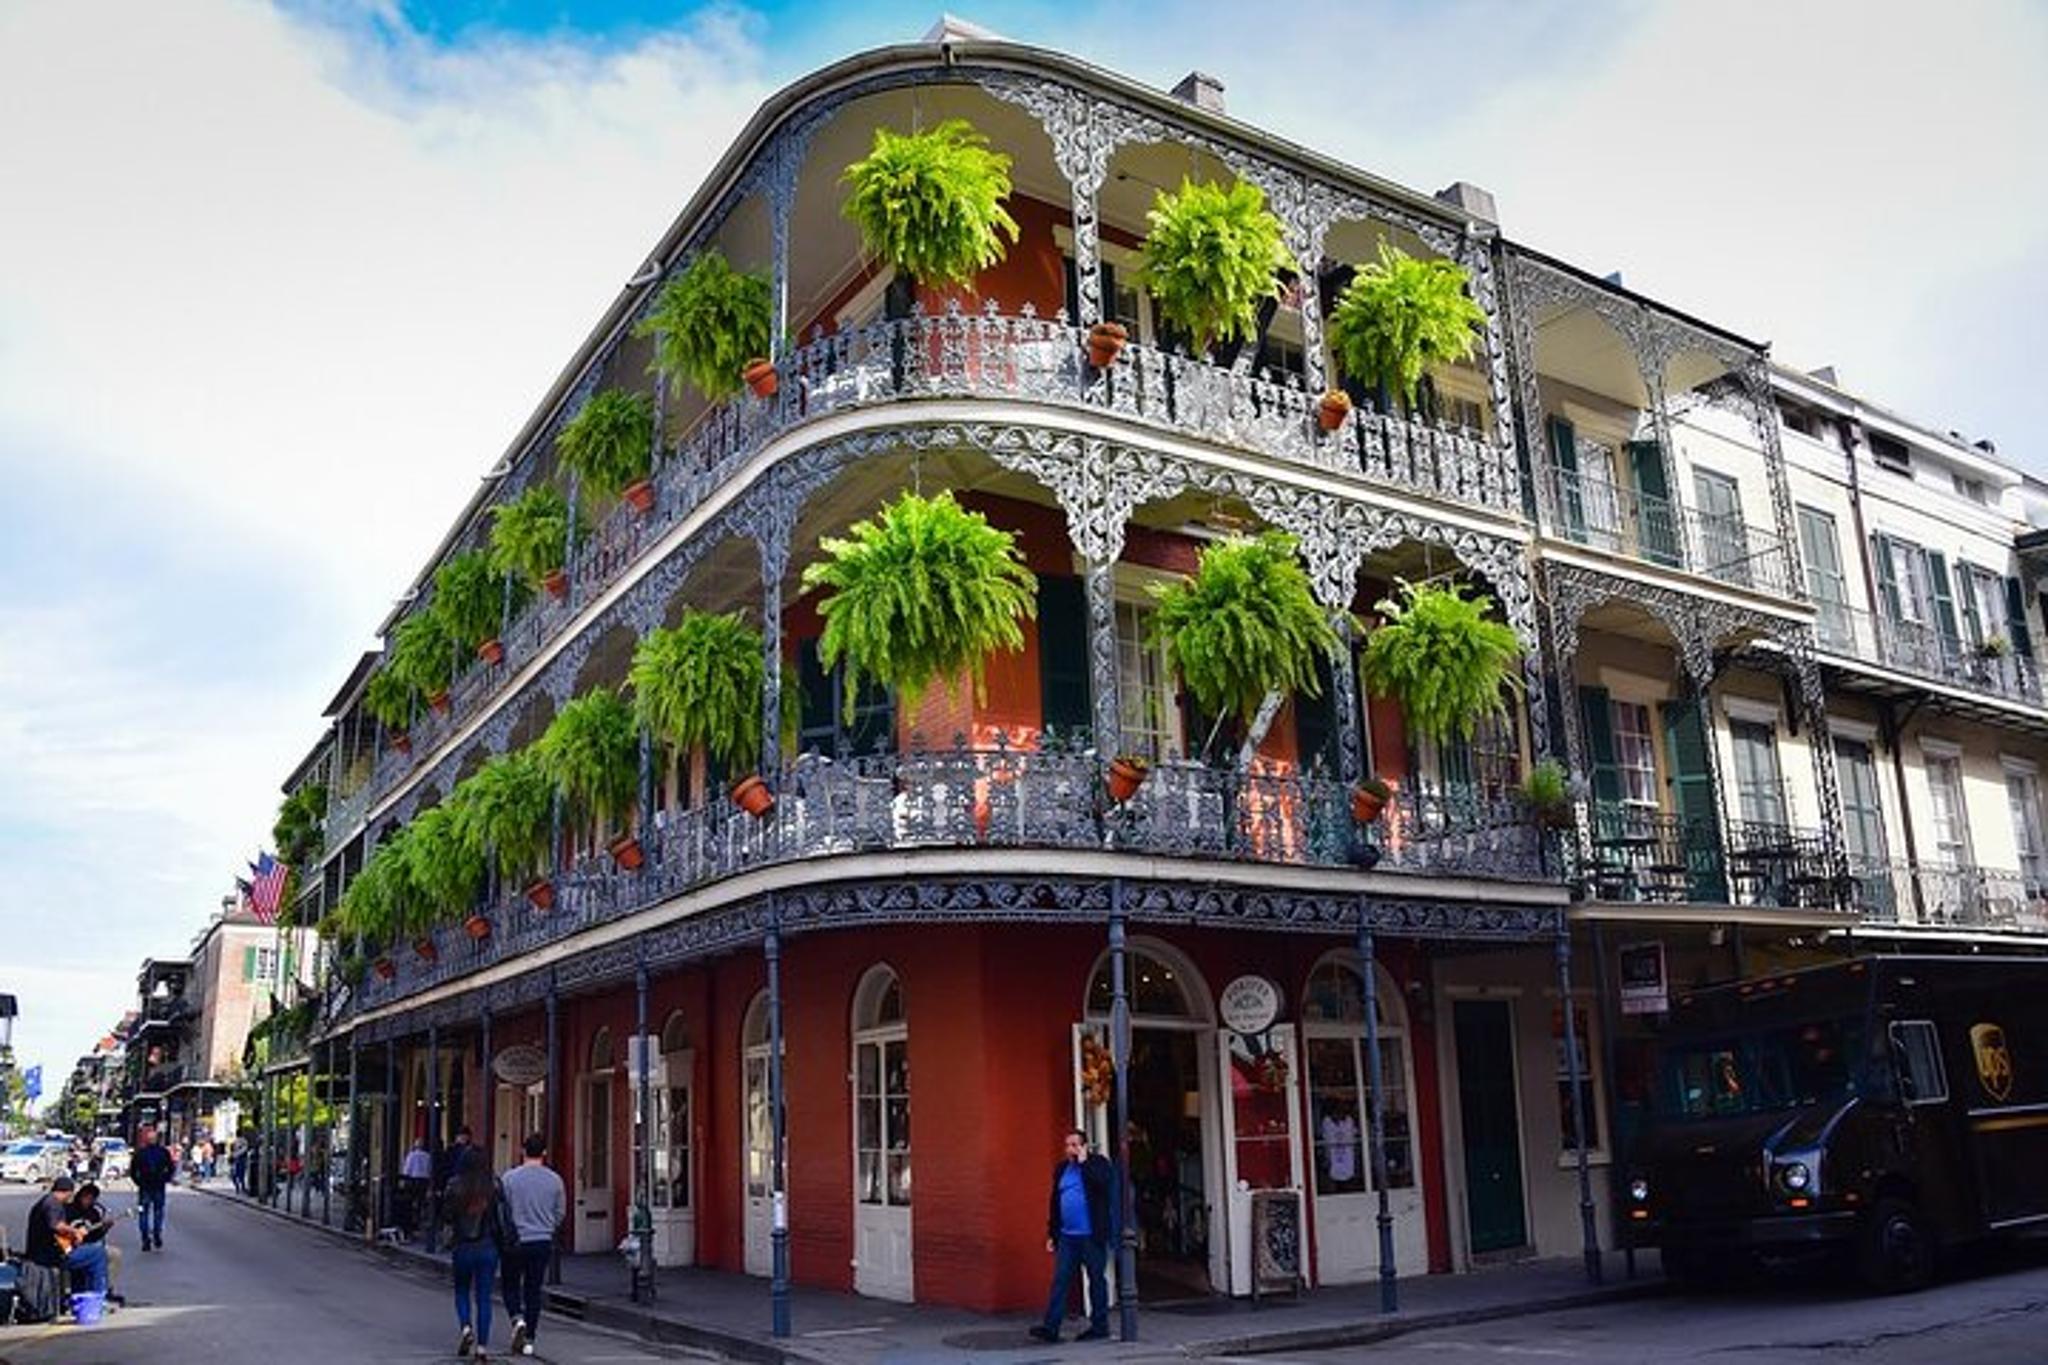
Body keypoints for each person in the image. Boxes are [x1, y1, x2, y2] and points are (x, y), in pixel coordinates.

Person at [1031, 1128, 1116, 1344]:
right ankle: (1051, 1327)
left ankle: (1100, 1327)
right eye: (1068, 1145)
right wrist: (1052, 1232)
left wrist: (1085, 1161)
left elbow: (1103, 1184)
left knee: (1096, 1280)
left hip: (1091, 1236)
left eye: (1075, 1145)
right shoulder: (1062, 1169)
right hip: (1067, 1237)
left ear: (1085, 1146)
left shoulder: (1098, 1164)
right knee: (1060, 1280)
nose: (1071, 1149)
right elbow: (1055, 1203)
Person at [498, 1133, 566, 1357]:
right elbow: (560, 1213)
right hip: (542, 1240)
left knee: (510, 1284)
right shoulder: (555, 1180)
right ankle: (530, 1339)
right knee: (533, 1290)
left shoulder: (509, 1179)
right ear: (544, 1153)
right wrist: (548, 1226)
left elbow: (502, 1211)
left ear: (522, 1151)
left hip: (516, 1240)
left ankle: (517, 1318)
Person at [439, 1148, 506, 1361]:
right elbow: (501, 1217)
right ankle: (482, 1348)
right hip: (487, 1245)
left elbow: (446, 1216)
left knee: (461, 1291)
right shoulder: (493, 1185)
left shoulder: (454, 1185)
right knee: (484, 1297)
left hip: (463, 1245)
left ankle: (466, 1327)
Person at [25, 1177, 111, 1307]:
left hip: (48, 1252)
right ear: (68, 1192)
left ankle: (78, 1295)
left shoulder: (47, 1202)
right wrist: (74, 1232)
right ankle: (98, 1296)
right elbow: (56, 1225)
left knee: (86, 1254)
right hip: (50, 1256)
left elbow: (56, 1233)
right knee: (98, 1253)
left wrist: (72, 1239)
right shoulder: (52, 1204)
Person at [69, 1182, 125, 1305]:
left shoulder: (94, 1212)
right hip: (71, 1247)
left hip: (91, 1244)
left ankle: (107, 1288)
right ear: (80, 1196)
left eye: (92, 1199)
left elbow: (97, 1235)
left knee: (115, 1254)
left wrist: (105, 1228)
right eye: (86, 1197)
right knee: (97, 1254)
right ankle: (95, 1293)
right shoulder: (68, 1210)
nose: (88, 1201)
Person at [131, 1124, 176, 1252]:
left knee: (143, 1213)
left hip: (145, 1186)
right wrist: (165, 1179)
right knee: (158, 1211)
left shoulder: (140, 1153)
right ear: (157, 1139)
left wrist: (138, 1182)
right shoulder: (163, 1152)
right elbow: (171, 1168)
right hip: (158, 1186)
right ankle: (157, 1232)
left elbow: (133, 1171)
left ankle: (145, 1238)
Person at [400, 1137, 434, 1237]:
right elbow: (429, 1170)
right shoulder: (427, 1156)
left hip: (413, 1180)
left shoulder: (411, 1155)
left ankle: (413, 1224)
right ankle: (420, 1221)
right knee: (422, 1202)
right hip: (424, 1181)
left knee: (412, 1202)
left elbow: (407, 1170)